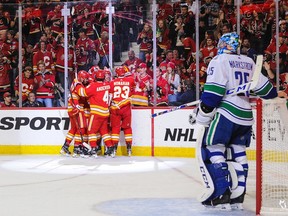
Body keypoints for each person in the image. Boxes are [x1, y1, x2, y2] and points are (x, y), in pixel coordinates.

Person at [194, 32, 278, 210]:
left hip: (226, 114)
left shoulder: (219, 60)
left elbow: (212, 95)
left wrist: (202, 114)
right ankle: (238, 198)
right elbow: (269, 92)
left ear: (223, 44)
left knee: (213, 148)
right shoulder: (249, 62)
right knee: (238, 151)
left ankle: (221, 195)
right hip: (246, 117)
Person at [60, 70, 90, 157]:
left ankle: (65, 146)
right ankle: (77, 147)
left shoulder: (75, 82)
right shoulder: (79, 85)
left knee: (73, 129)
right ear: (81, 78)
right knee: (80, 128)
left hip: (72, 108)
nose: (86, 80)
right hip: (77, 109)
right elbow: (83, 94)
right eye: (85, 79)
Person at [109, 66, 136, 156]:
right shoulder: (130, 80)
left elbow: (110, 95)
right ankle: (129, 149)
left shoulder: (112, 82)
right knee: (127, 128)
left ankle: (114, 150)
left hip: (115, 108)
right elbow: (133, 90)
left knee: (115, 128)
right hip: (126, 108)